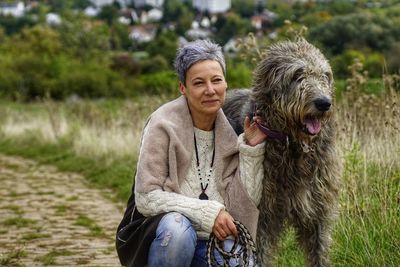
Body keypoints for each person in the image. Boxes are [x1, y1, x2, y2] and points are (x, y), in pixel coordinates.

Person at [116, 39, 267, 267]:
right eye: (198, 83)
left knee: (239, 262)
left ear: (226, 84)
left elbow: (243, 207)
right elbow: (147, 197)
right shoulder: (162, 124)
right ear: (183, 89)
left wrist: (252, 150)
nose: (210, 90)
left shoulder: (235, 131)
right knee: (178, 229)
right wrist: (209, 213)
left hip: (210, 242)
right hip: (164, 238)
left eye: (216, 80)